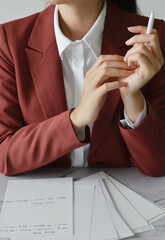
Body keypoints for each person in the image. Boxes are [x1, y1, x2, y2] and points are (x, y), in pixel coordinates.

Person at [0, 0, 164, 177]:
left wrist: (132, 96)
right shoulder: (9, 40)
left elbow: (157, 165)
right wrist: (77, 118)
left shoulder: (152, 38)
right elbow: (5, 155)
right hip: (41, 199)